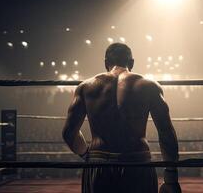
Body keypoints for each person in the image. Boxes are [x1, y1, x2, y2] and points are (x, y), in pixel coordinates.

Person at [62, 43, 181, 193]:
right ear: (132, 62)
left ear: (106, 63)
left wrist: (86, 154)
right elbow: (166, 132)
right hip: (137, 161)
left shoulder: (86, 87)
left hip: (99, 163)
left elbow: (68, 132)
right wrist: (171, 178)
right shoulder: (149, 86)